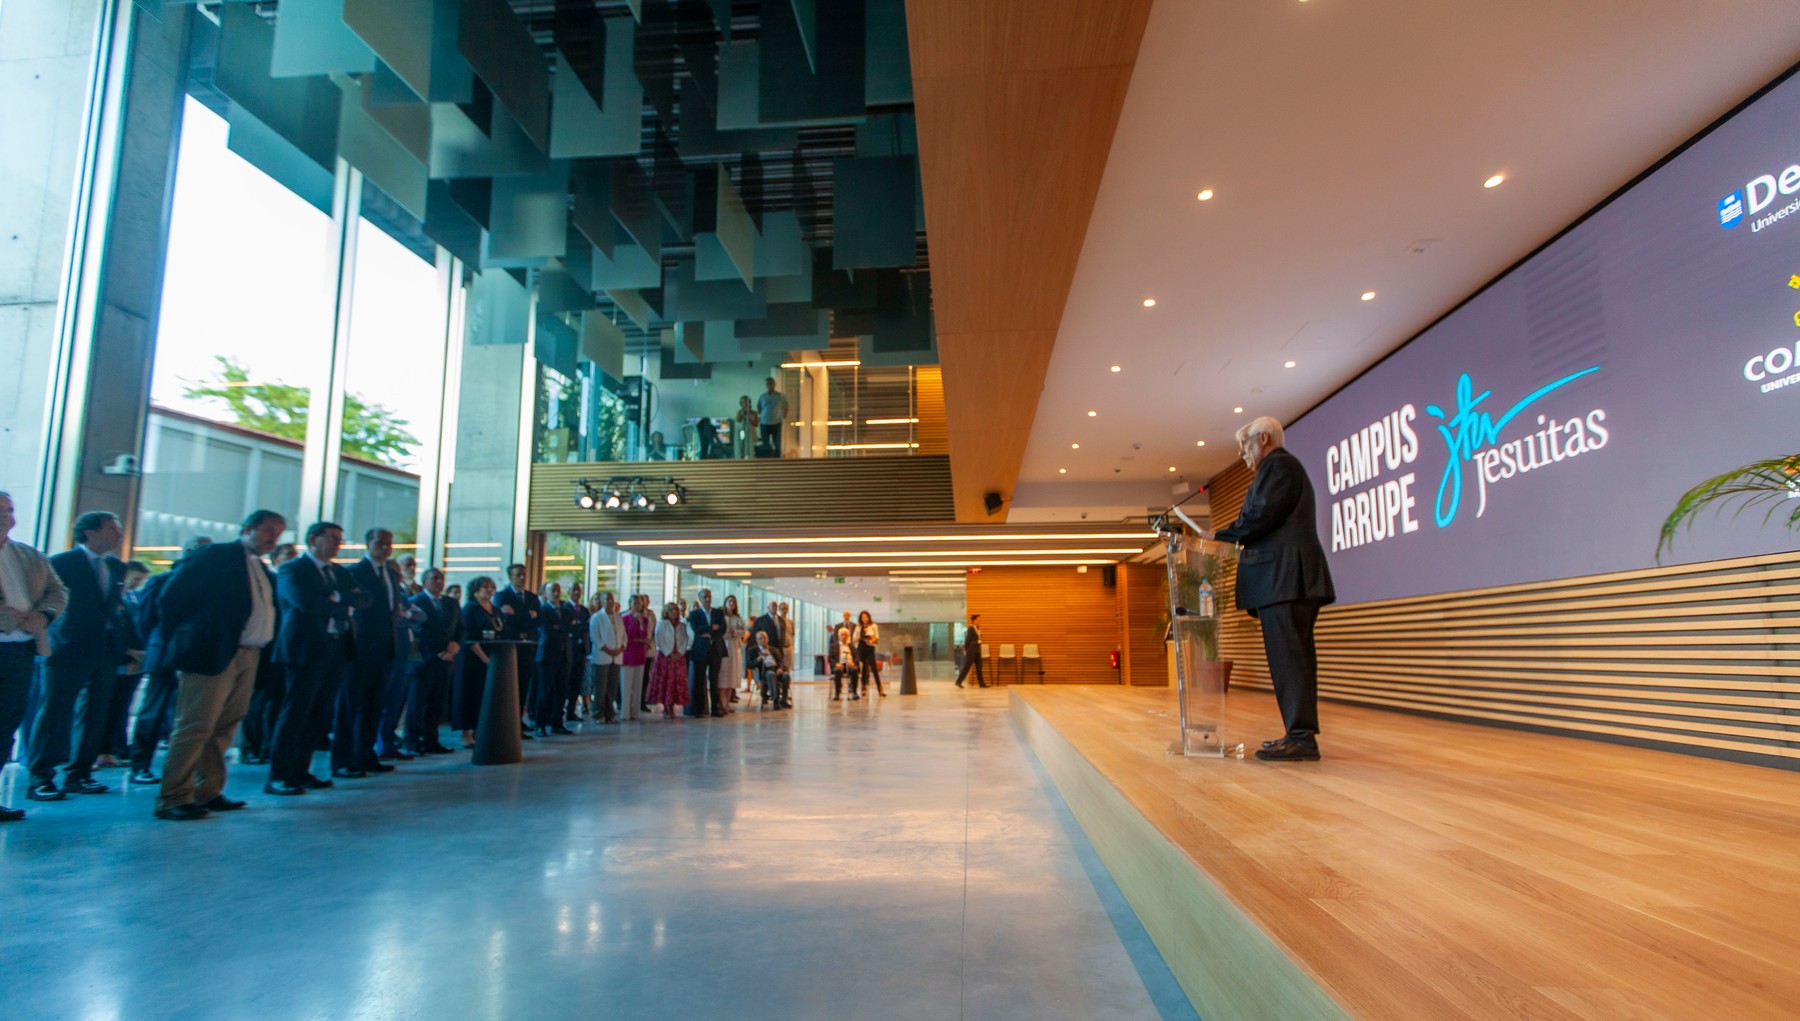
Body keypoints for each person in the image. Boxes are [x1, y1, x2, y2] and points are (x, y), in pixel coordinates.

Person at [1201, 416, 1336, 762]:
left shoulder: (1278, 466)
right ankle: (1299, 735)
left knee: (1290, 660)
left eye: (1245, 445)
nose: (1242, 454)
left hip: (1286, 581)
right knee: (1293, 660)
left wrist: (1222, 535)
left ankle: (1301, 738)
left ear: (1263, 439)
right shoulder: (1280, 468)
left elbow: (1261, 515)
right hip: (1287, 581)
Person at [151, 509, 285, 820]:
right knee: (195, 725)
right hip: (211, 652)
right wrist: (188, 639)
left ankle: (208, 790)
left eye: (277, 534)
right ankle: (173, 796)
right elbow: (172, 597)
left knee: (225, 726)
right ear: (248, 528)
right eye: (267, 532)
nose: (272, 539)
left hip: (249, 653)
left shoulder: (261, 568)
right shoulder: (215, 554)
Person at [27, 510, 127, 803]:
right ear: (90, 532)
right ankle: (41, 777)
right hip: (67, 649)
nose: (118, 534)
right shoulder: (61, 563)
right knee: (55, 713)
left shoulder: (116, 568)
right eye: (112, 528)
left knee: (95, 713)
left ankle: (79, 772)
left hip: (104, 650)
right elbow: (47, 603)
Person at [266, 522, 364, 797]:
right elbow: (304, 602)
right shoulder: (293, 569)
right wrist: (342, 602)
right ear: (313, 539)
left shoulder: (340, 572)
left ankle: (301, 770)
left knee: (318, 714)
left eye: (340, 540)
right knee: (295, 713)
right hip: (305, 650)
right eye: (332, 538)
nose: (337, 544)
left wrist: (335, 598)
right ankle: (279, 775)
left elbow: (364, 600)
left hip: (336, 648)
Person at [0, 492, 68, 822]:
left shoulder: (28, 555)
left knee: (6, 726)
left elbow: (58, 591)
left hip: (20, 651)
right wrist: (9, 616)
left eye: (10, 510)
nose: (6, 517)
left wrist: (44, 615)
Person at [127, 535, 212, 785]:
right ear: (187, 551)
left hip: (196, 655)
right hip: (164, 653)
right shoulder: (161, 580)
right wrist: (158, 644)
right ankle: (140, 765)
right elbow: (145, 620)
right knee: (153, 711)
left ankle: (183, 769)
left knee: (190, 713)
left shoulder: (210, 586)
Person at [337, 528, 420, 777]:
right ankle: (344, 759)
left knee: (374, 706)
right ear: (368, 543)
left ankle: (366, 755)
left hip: (387, 648)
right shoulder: (354, 572)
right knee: (351, 705)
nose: (385, 547)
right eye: (379, 543)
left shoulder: (391, 575)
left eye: (388, 543)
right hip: (362, 647)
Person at [240, 541, 300, 765]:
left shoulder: (290, 579)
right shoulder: (268, 578)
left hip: (284, 648)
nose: (292, 557)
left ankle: (268, 743)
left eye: (294, 553)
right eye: (287, 554)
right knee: (259, 699)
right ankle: (251, 746)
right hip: (265, 648)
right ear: (276, 558)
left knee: (277, 700)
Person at [98, 559, 151, 767]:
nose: (138, 583)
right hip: (121, 659)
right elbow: (118, 631)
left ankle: (114, 747)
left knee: (122, 706)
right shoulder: (116, 598)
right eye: (136, 578)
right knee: (112, 706)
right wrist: (129, 654)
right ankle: (104, 750)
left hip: (134, 658)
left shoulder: (132, 597)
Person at [405, 567, 461, 754]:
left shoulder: (451, 603)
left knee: (437, 704)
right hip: (424, 659)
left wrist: (454, 646)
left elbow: (461, 628)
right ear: (425, 581)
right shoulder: (415, 602)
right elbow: (418, 629)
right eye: (434, 578)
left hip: (446, 660)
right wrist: (441, 649)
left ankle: (432, 741)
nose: (438, 582)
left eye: (441, 579)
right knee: (417, 703)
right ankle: (412, 742)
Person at [454, 577, 504, 749]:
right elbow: (469, 635)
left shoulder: (495, 610)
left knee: (484, 694)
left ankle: (479, 730)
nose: (489, 590)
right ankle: (466, 733)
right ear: (476, 590)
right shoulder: (470, 609)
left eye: (492, 587)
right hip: (473, 658)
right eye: (485, 587)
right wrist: (484, 658)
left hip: (492, 655)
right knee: (470, 693)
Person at [495, 564, 541, 738]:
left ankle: (519, 720)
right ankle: (508, 722)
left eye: (523, 574)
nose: (521, 578)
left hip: (528, 647)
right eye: (517, 575)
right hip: (510, 647)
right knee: (509, 685)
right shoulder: (501, 596)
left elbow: (538, 620)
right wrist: (527, 616)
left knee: (523, 686)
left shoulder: (532, 597)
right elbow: (506, 621)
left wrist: (519, 617)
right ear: (510, 576)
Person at [534, 582, 573, 735]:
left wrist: (560, 628)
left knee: (561, 692)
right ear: (545, 593)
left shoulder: (565, 611)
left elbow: (573, 628)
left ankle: (557, 723)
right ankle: (540, 724)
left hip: (564, 656)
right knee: (545, 691)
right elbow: (547, 631)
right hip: (548, 656)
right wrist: (562, 629)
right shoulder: (542, 610)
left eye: (558, 590)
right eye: (552, 590)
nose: (556, 593)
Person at [647, 602, 688, 718]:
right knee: (666, 681)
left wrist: (679, 652)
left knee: (676, 682)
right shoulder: (662, 624)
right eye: (671, 610)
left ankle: (673, 705)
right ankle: (666, 707)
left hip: (678, 656)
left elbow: (685, 640)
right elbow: (659, 639)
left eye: (675, 610)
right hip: (665, 657)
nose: (674, 612)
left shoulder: (682, 625)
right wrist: (669, 653)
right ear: (666, 612)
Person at [687, 588, 724, 718]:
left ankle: (715, 708)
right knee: (699, 680)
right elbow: (696, 629)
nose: (707, 599)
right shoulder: (694, 614)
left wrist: (709, 633)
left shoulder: (718, 613)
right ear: (700, 599)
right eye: (704, 597)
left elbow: (722, 629)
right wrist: (711, 627)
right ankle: (699, 709)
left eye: (709, 596)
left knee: (714, 680)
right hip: (700, 650)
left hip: (715, 649)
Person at [588, 591, 624, 724]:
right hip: (602, 657)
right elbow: (595, 638)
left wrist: (620, 648)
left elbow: (624, 635)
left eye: (611, 598)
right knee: (600, 688)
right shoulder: (597, 617)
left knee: (612, 687)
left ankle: (610, 714)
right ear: (602, 602)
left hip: (616, 657)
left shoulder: (617, 617)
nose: (610, 601)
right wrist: (608, 649)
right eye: (607, 599)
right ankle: (598, 714)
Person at [619, 594, 650, 722]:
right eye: (635, 603)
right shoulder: (624, 618)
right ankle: (625, 712)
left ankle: (635, 712)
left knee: (638, 684)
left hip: (639, 654)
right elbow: (626, 636)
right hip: (628, 653)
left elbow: (645, 636)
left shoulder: (645, 619)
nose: (637, 605)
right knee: (627, 684)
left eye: (639, 603)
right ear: (630, 604)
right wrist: (638, 639)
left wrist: (641, 623)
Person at [564, 581, 591, 722]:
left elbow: (586, 627)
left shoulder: (585, 611)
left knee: (577, 683)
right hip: (569, 650)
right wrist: (579, 626)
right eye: (573, 590)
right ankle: (562, 710)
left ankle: (571, 711)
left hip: (581, 651)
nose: (576, 593)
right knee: (566, 682)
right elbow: (570, 628)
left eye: (578, 590)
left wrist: (578, 626)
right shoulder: (565, 608)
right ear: (568, 592)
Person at [721, 595, 745, 711]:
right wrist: (728, 633)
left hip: (735, 647)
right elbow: (720, 631)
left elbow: (742, 631)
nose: (732, 603)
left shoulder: (737, 617)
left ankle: (727, 704)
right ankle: (721, 704)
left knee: (732, 675)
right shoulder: (721, 616)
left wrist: (735, 632)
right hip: (724, 646)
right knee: (723, 675)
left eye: (734, 602)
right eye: (730, 601)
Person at [856, 610, 885, 697]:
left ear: (869, 617)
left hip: (870, 648)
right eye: (863, 617)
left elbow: (876, 637)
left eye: (866, 617)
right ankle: (863, 688)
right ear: (861, 618)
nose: (865, 619)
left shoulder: (873, 626)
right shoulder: (858, 627)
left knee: (874, 668)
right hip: (861, 648)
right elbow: (854, 638)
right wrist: (858, 638)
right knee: (863, 669)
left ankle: (880, 688)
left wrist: (870, 640)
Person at [756, 377, 787, 456]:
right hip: (764, 422)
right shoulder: (762, 396)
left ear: (774, 384)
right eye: (768, 384)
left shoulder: (780, 396)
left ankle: (777, 458)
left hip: (776, 422)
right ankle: (767, 458)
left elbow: (786, 407)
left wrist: (783, 417)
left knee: (777, 442)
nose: (769, 385)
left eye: (771, 384)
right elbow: (759, 408)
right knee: (765, 443)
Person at [954, 613, 987, 688]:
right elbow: (968, 639)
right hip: (971, 650)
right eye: (979, 619)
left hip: (977, 649)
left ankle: (982, 684)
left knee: (979, 667)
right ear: (974, 620)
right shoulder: (971, 629)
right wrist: (965, 648)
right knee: (967, 666)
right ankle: (958, 681)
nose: (980, 621)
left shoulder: (978, 628)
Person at [831, 621, 856, 701]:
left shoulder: (851, 646)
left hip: (850, 665)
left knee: (855, 670)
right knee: (837, 671)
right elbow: (830, 658)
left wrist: (853, 663)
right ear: (839, 637)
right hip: (840, 665)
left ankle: (854, 693)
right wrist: (836, 664)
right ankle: (837, 693)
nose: (844, 636)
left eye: (846, 635)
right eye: (842, 635)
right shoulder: (834, 646)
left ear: (848, 636)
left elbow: (857, 657)